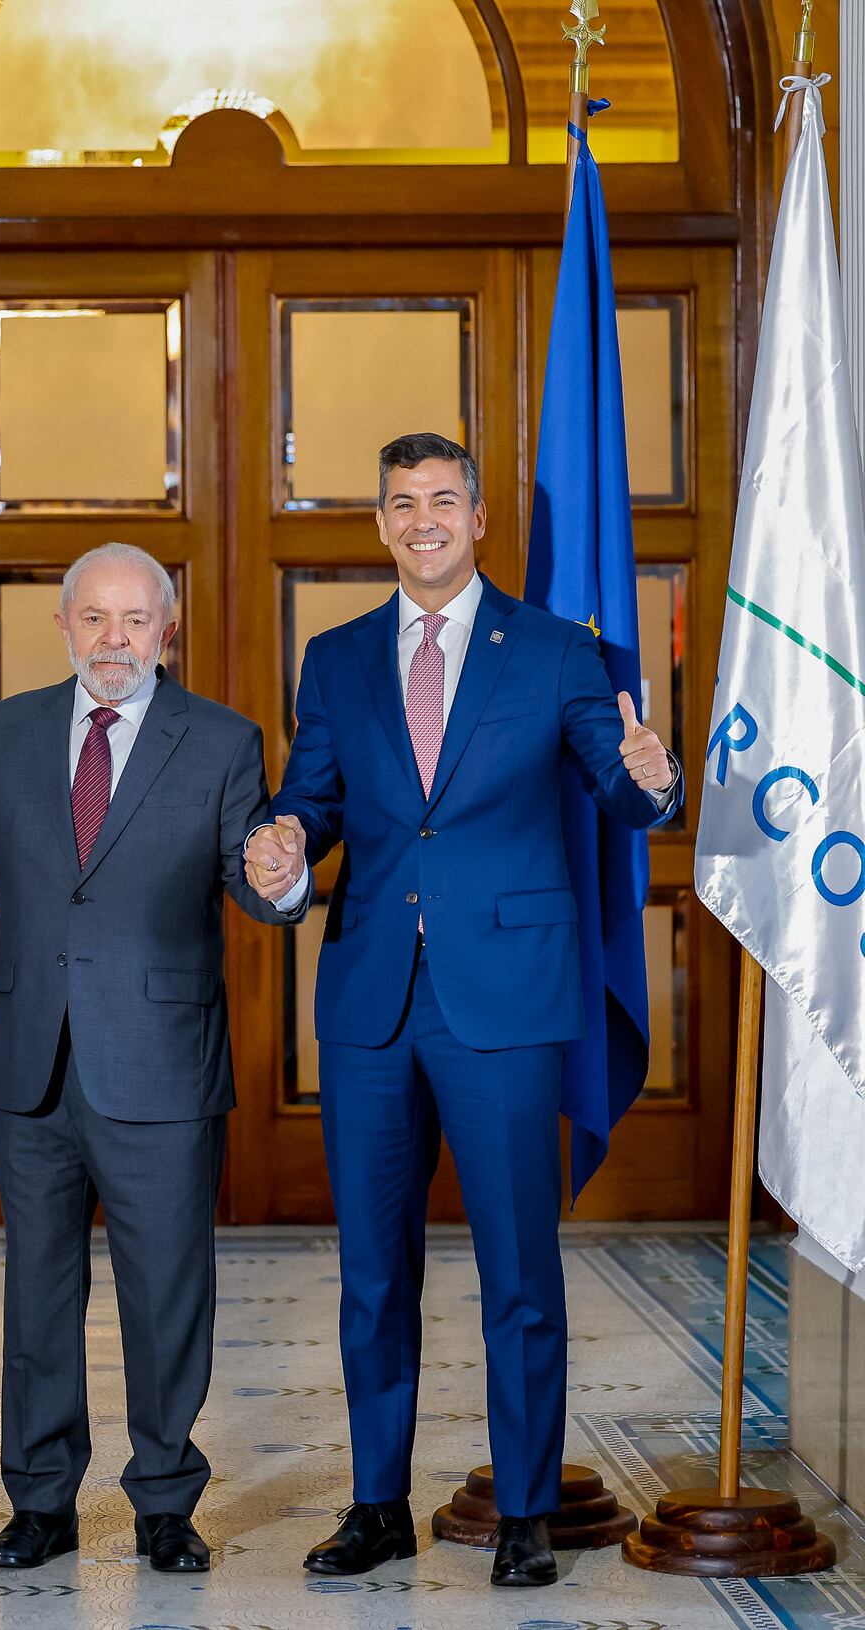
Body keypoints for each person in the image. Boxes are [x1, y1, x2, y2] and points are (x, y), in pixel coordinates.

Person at [0, 543, 305, 1573]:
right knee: (37, 1294)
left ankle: (165, 1503)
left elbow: (252, 877)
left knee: (165, 1294)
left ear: (166, 629)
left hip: (163, 1064)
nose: (113, 639)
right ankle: (39, 1502)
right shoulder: (9, 731)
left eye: (133, 620)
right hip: (33, 1061)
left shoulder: (222, 740)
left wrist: (283, 878)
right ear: (62, 627)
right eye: (93, 617)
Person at [250, 432, 681, 1588]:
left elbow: (612, 776)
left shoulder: (552, 648)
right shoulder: (335, 656)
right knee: (370, 1272)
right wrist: (283, 846)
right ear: (380, 524)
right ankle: (375, 1505)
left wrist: (650, 778)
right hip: (370, 1001)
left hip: (505, 996)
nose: (422, 520)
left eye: (442, 499)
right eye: (401, 503)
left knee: (517, 1268)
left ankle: (525, 1511)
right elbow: (310, 799)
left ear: (478, 518)